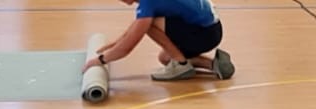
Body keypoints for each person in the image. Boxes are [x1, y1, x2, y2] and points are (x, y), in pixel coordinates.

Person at [84, 0, 234, 82]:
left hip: (204, 34)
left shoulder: (148, 3)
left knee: (149, 24)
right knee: (165, 58)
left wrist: (100, 60)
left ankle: (181, 64)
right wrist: (115, 43)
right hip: (212, 29)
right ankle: (215, 65)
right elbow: (137, 26)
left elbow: (129, 46)